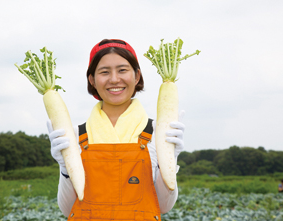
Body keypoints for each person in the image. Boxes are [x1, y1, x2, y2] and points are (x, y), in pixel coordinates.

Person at [47, 39, 185, 220]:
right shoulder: (75, 136)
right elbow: (67, 210)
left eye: (122, 70)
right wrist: (65, 168)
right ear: (92, 80)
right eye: (104, 72)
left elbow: (164, 206)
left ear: (136, 76)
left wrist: (170, 158)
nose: (114, 79)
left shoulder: (158, 134)